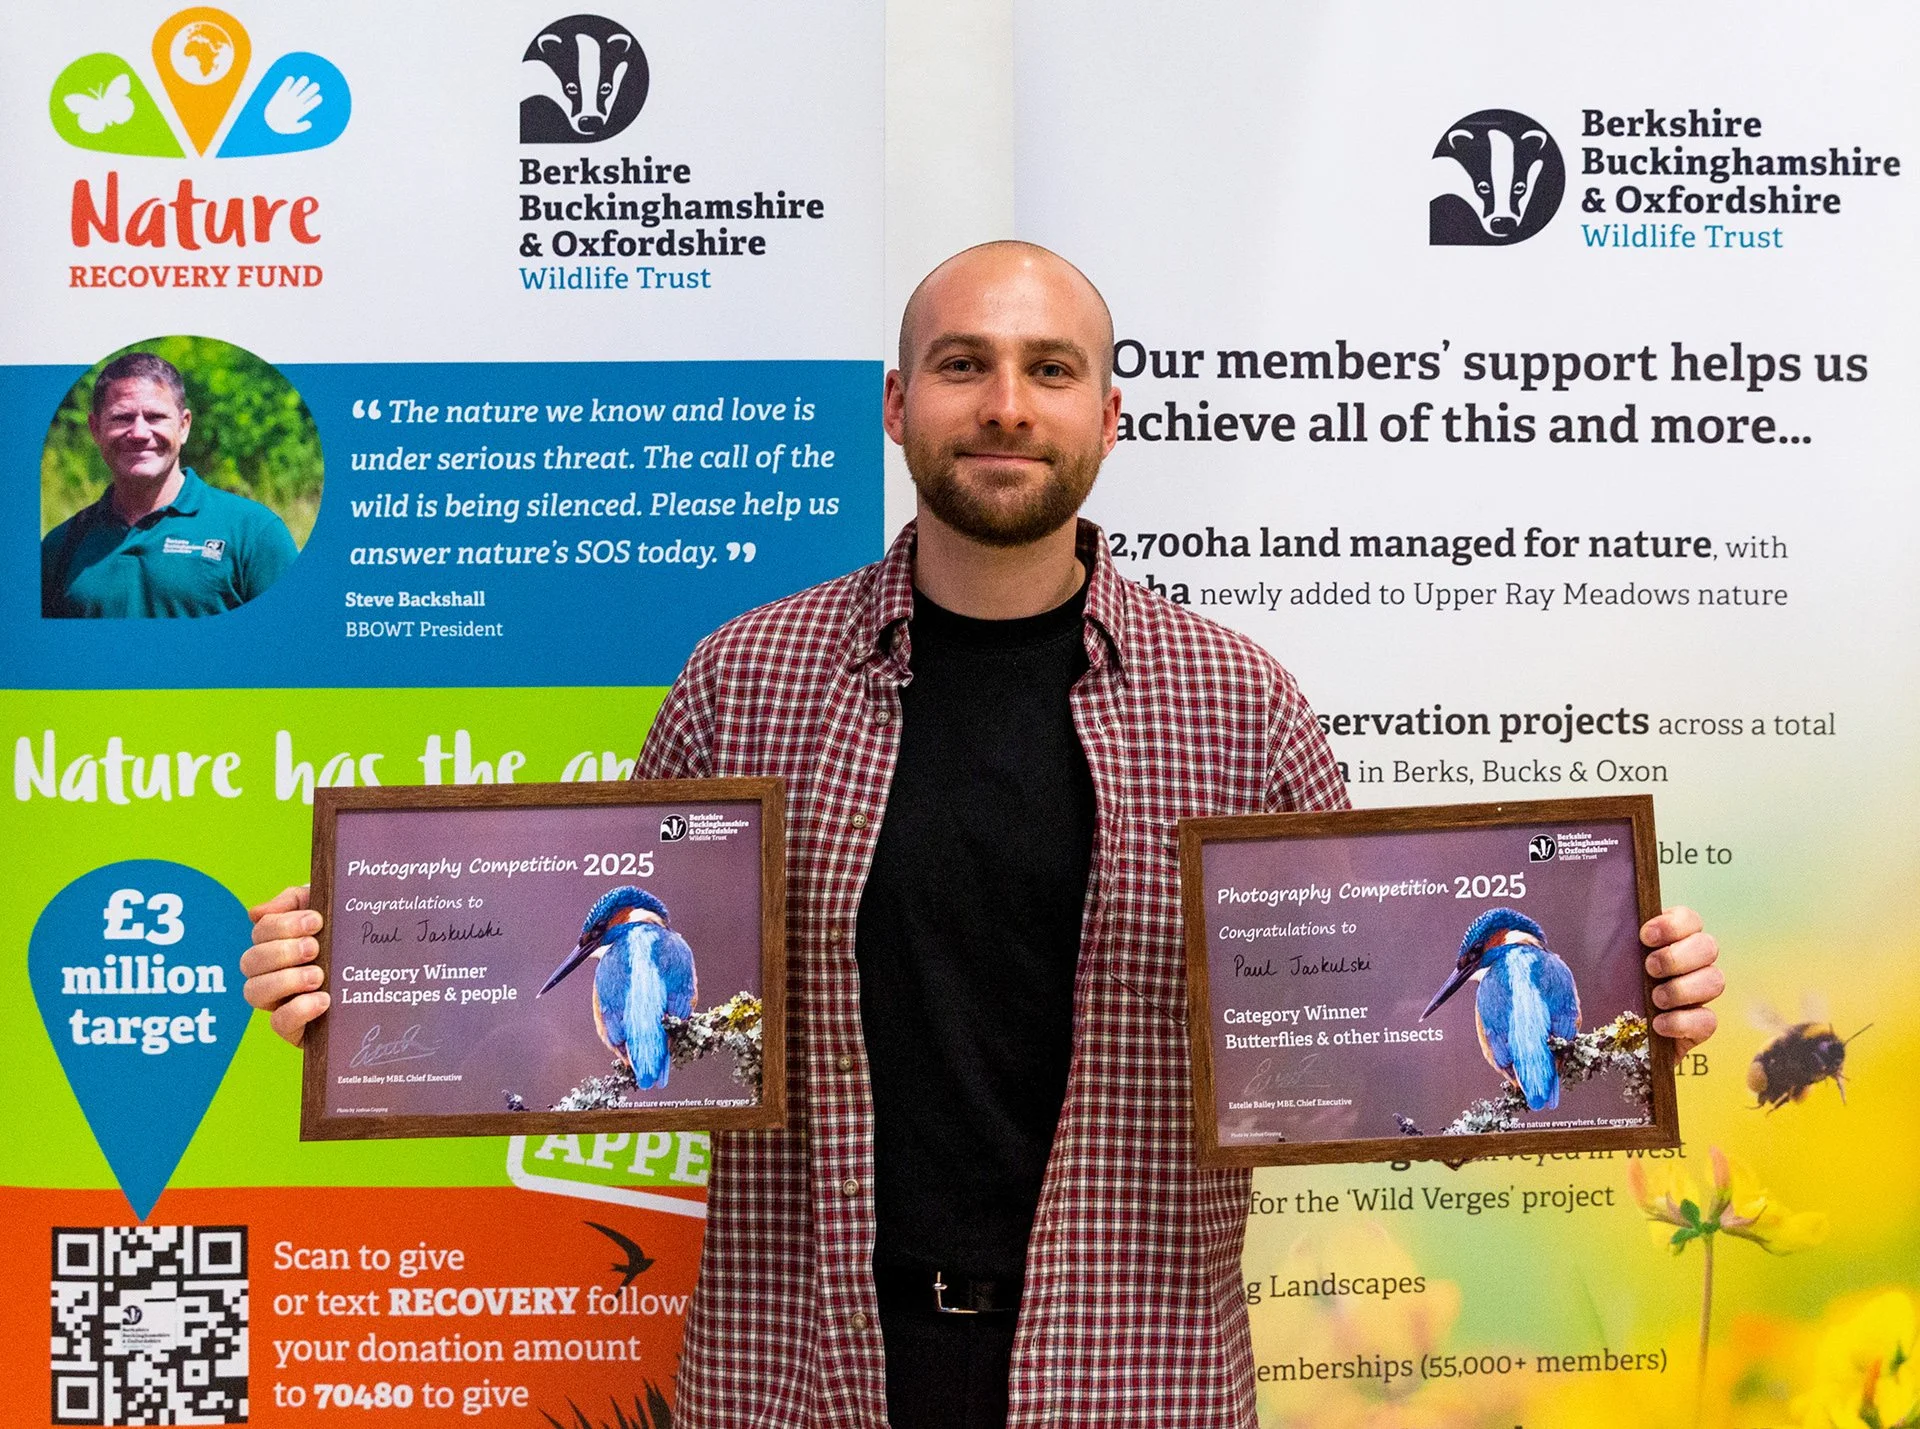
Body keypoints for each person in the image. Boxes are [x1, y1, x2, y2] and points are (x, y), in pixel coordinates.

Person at [243, 242, 1725, 1428]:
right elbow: (598, 1028)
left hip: (1133, 1381)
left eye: (1048, 369)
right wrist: (366, 983)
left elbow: (1372, 1047)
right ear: (898, 405)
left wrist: (1628, 1005)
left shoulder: (1238, 706)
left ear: (1108, 417)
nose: (1005, 403)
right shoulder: (742, 681)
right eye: (964, 366)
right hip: (799, 1377)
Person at [42, 351, 299, 618]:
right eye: (122, 418)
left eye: (155, 417)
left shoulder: (253, 533)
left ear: (184, 426)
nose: (139, 433)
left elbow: (289, 647)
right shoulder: (60, 547)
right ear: (95, 429)